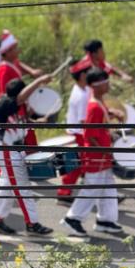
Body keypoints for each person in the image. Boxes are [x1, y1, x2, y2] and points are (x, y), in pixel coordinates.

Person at [60, 68, 125, 236]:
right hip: (96, 156)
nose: (108, 85)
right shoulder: (94, 106)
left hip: (102, 155)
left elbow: (100, 121)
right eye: (106, 82)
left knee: (108, 187)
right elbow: (89, 134)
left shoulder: (99, 102)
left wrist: (111, 114)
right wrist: (104, 150)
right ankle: (72, 218)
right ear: (96, 86)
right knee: (92, 188)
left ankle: (106, 219)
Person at [0, 77, 54, 236]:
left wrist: (40, 122)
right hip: (7, 150)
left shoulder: (20, 107)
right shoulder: (5, 104)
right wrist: (39, 81)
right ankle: (32, 224)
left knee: (7, 185)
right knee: (22, 187)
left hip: (16, 149)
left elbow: (24, 123)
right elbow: (22, 97)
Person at [0, 30, 43, 147]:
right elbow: (5, 97)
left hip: (21, 109)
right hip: (15, 114)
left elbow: (19, 64)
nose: (18, 50)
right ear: (8, 52)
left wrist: (32, 72)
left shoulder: (12, 62)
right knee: (25, 147)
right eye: (15, 48)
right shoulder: (4, 70)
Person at [56, 59, 92, 205]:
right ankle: (64, 193)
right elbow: (85, 122)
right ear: (83, 75)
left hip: (78, 131)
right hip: (79, 133)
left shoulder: (84, 88)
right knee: (76, 165)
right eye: (88, 72)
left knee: (82, 164)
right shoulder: (81, 95)